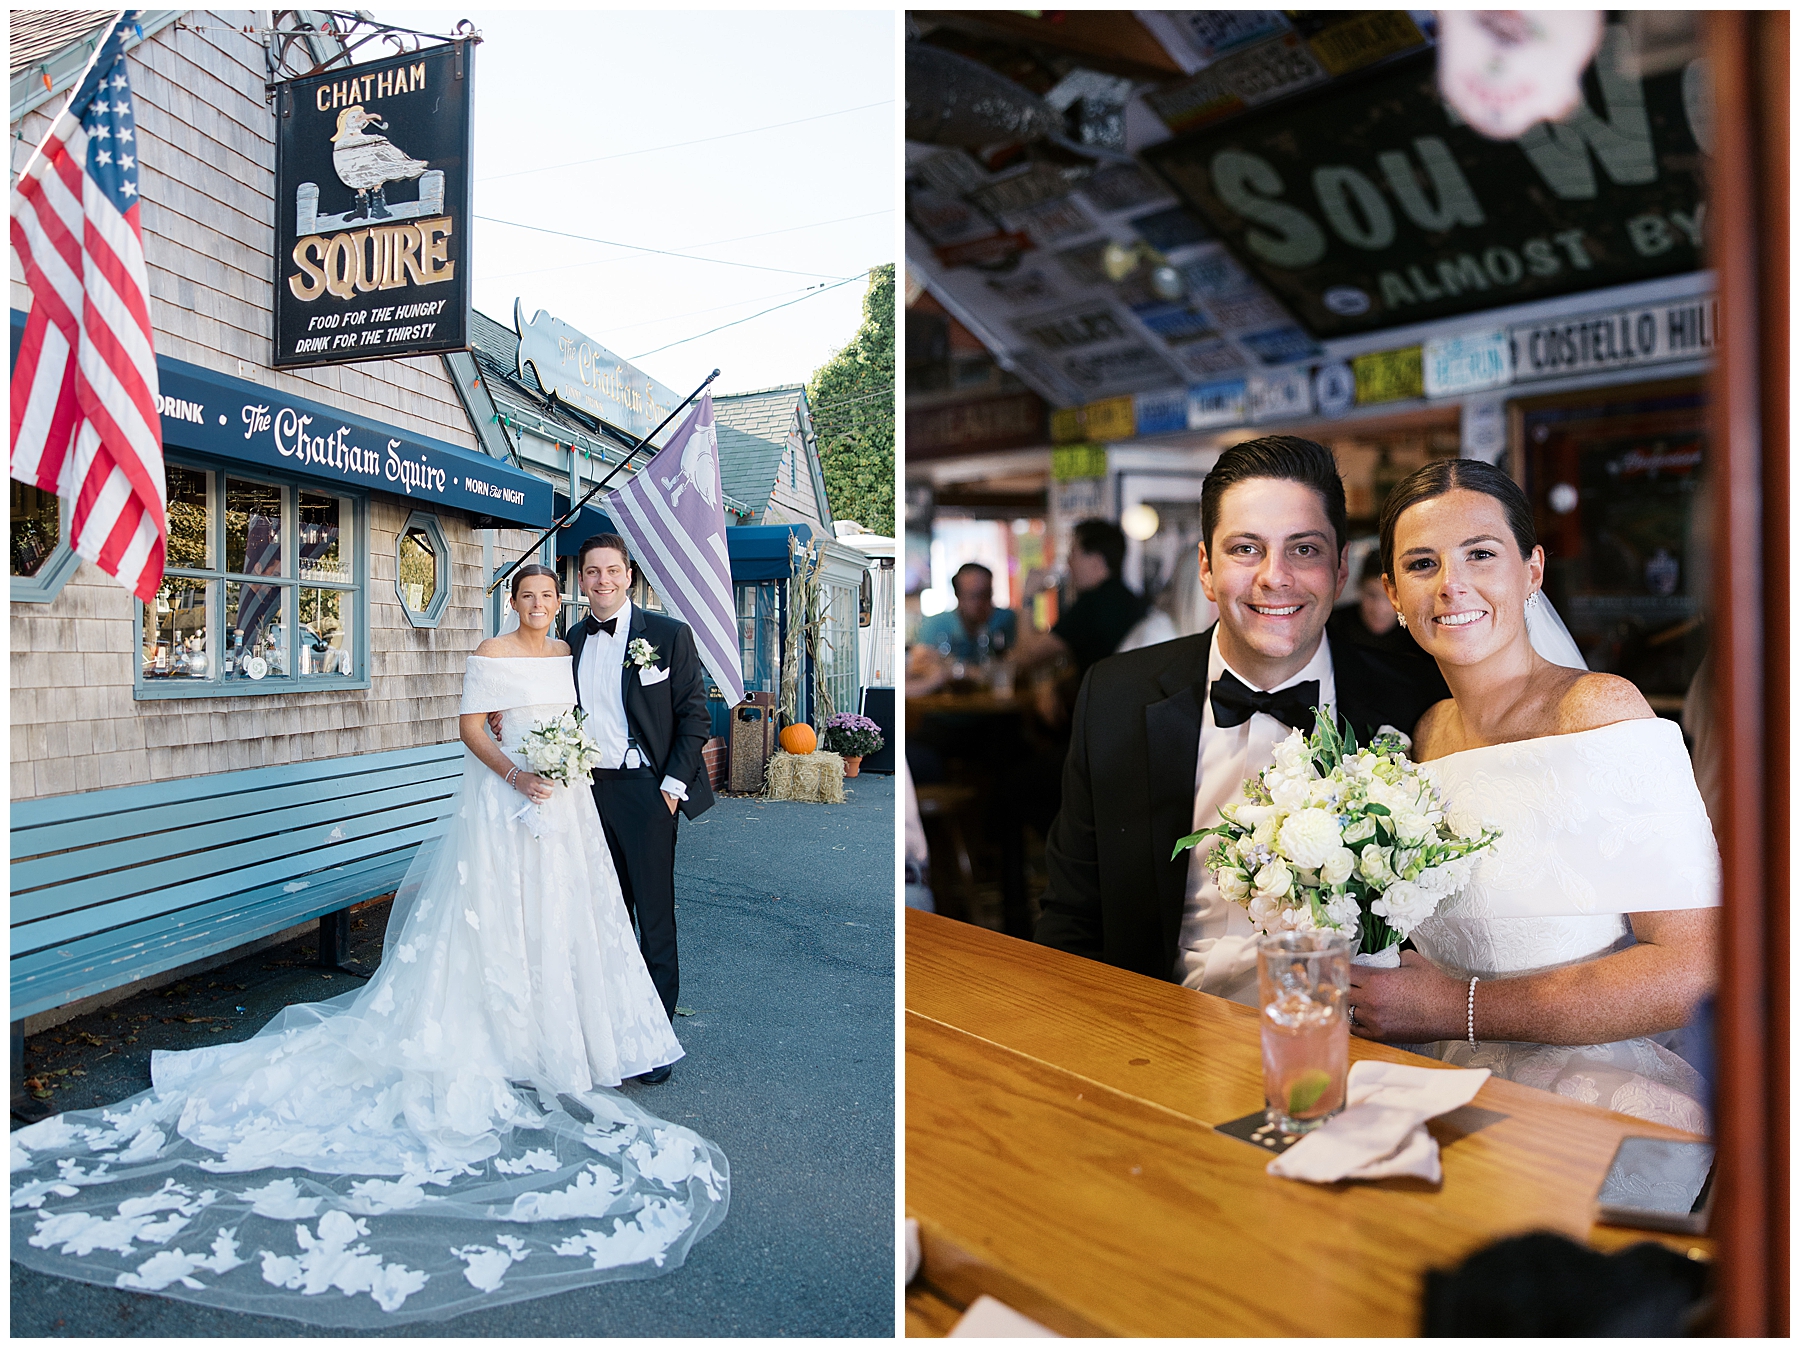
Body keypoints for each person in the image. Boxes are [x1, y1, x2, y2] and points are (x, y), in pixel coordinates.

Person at [10, 565, 729, 1326]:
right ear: (512, 602)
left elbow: (608, 719)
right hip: (507, 805)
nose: (542, 604)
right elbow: (471, 729)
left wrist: (569, 763)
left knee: (570, 922)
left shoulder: (567, 652)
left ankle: (576, 1034)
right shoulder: (491, 651)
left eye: (551, 594)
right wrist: (520, 772)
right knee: (502, 921)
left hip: (567, 813)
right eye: (530, 595)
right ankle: (509, 1033)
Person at [1347, 459, 1718, 1129]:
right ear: (1392, 593)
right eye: (1422, 564)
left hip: (1586, 1091)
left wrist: (1450, 1007)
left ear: (1533, 571)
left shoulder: (1599, 711)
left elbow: (1693, 965)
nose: (1452, 586)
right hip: (1438, 1082)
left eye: (1481, 554)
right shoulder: (1425, 735)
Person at [1036, 437, 1448, 998]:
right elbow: (1073, 917)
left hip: (1348, 1041)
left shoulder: (1418, 701)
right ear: (1206, 568)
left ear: (1341, 566)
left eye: (1304, 549)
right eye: (1246, 549)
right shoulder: (1117, 696)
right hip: (1157, 1033)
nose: (1275, 577)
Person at [565, 533, 716, 1061]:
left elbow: (696, 717)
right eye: (591, 572)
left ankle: (655, 1041)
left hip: (648, 792)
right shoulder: (573, 640)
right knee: (604, 915)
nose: (602, 580)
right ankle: (609, 1035)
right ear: (580, 580)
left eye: (611, 570)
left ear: (628, 576)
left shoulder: (669, 636)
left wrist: (671, 789)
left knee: (653, 918)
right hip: (588, 792)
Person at [1328, 549, 1415, 656]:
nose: (1379, 608)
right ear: (1360, 588)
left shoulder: (1418, 634)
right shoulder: (1333, 625)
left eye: (1390, 597)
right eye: (1371, 594)